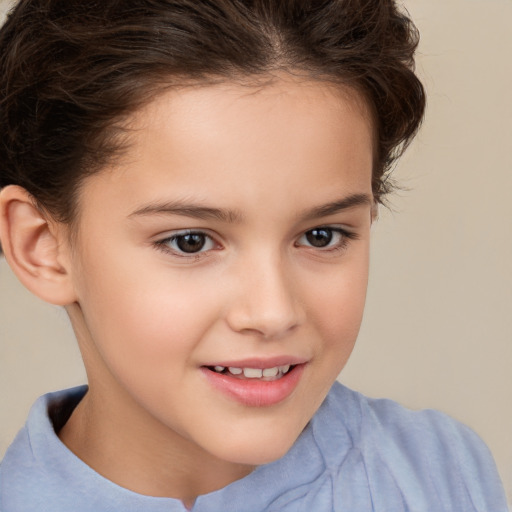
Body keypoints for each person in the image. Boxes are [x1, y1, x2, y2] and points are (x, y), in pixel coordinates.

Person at [0, 0, 508, 510]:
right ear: (42, 247)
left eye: (322, 235)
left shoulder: (441, 476)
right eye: (190, 241)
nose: (273, 312)